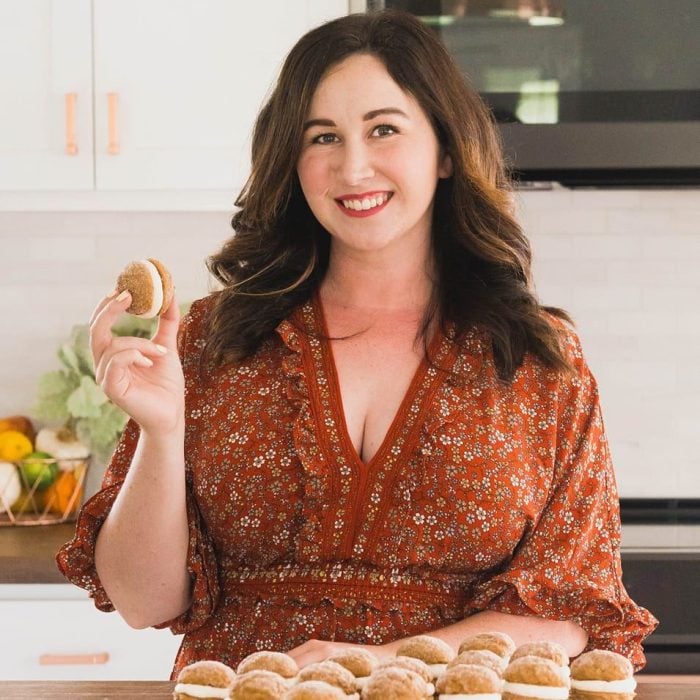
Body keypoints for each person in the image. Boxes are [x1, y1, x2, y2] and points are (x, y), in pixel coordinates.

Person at [56, 9, 657, 678]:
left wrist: (377, 663)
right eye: (323, 137)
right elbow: (143, 601)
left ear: (447, 149)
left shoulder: (538, 359)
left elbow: (566, 611)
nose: (353, 166)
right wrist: (161, 431)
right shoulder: (209, 341)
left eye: (384, 130)